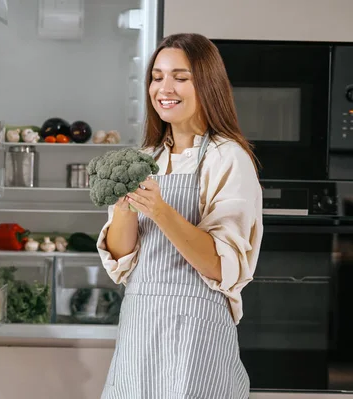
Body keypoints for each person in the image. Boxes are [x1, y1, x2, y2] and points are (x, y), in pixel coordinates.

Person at [97, 33, 263, 399]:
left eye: (180, 77)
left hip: (196, 329)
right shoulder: (147, 158)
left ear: (207, 83)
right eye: (157, 77)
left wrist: (159, 209)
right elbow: (122, 261)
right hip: (140, 325)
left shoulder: (227, 158)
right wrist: (125, 205)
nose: (164, 88)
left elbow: (221, 266)